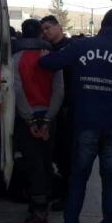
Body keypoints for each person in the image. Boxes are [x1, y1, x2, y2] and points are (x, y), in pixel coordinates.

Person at [39, 8, 112, 223]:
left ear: (102, 24)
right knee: (111, 181)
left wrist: (41, 52)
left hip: (87, 123)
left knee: (79, 180)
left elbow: (49, 63)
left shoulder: (82, 45)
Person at [11, 19, 64, 223]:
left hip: (27, 119)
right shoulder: (52, 57)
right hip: (49, 117)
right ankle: (46, 203)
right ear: (40, 34)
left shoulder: (16, 58)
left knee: (33, 165)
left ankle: (38, 215)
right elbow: (59, 91)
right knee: (45, 161)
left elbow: (17, 90)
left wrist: (30, 119)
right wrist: (48, 120)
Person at [40, 15, 74, 212]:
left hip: (68, 108)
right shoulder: (48, 49)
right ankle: (60, 189)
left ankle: (69, 195)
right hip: (54, 109)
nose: (45, 32)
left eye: (48, 28)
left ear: (58, 27)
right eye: (42, 29)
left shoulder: (68, 47)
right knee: (56, 154)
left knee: (66, 154)